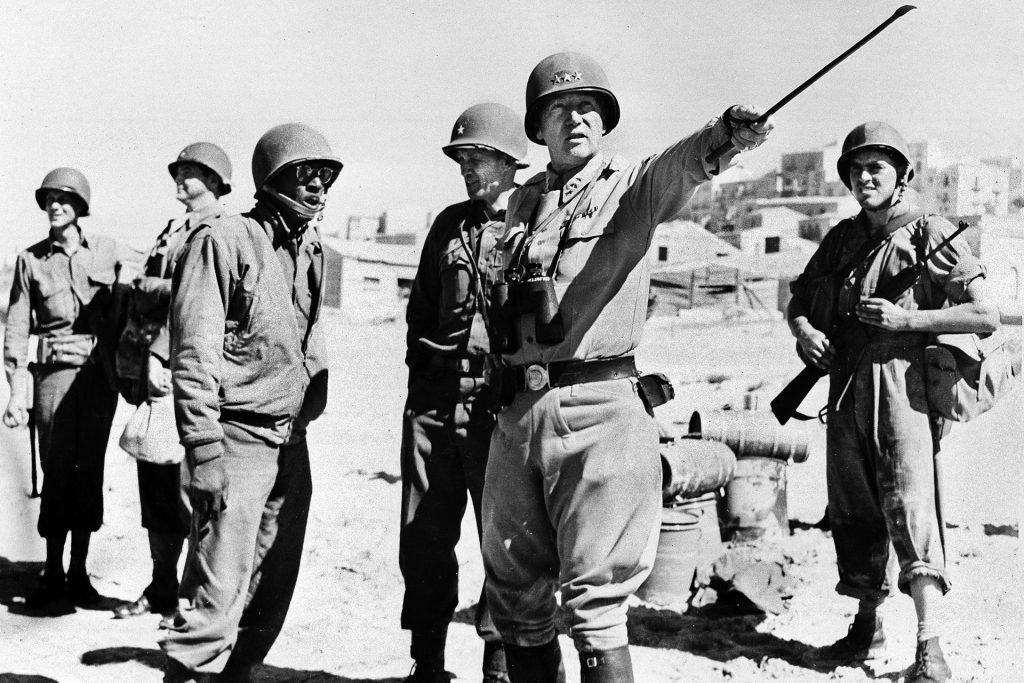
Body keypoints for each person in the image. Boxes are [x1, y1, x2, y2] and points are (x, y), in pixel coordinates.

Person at [479, 52, 772, 682]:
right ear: (539, 127)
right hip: (518, 415)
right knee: (514, 595)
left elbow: (684, 163)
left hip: (600, 413)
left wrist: (724, 134)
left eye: (588, 107)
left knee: (596, 602)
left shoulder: (630, 188)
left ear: (605, 121)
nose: (575, 118)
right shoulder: (521, 204)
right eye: (559, 108)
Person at [788, 121, 999, 683]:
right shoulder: (840, 239)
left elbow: (985, 316)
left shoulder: (931, 233)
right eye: (856, 168)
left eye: (877, 167)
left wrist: (910, 319)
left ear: (902, 174)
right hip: (846, 384)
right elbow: (801, 301)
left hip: (903, 388)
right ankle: (866, 627)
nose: (865, 177)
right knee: (853, 509)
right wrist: (805, 332)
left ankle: (931, 647)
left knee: (910, 504)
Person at [160, 123, 335, 682]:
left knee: (270, 591)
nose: (318, 188)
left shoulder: (311, 250)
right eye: (305, 176)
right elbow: (193, 352)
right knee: (214, 598)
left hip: (290, 443)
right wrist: (204, 451)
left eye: (325, 178)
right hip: (235, 443)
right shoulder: (223, 240)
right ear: (273, 179)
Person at [401, 102, 528, 683]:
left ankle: (498, 669)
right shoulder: (446, 226)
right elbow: (421, 311)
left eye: (478, 159)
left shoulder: (536, 220)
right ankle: (426, 666)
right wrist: (422, 393)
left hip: (497, 406)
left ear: (509, 161)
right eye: (462, 160)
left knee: (501, 544)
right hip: (433, 404)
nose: (468, 170)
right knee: (424, 539)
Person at [111, 142, 232, 624]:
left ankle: (190, 594)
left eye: (192, 172)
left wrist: (162, 354)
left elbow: (194, 300)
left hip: (188, 369)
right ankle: (162, 584)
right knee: (156, 482)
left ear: (217, 180)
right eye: (178, 171)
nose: (180, 179)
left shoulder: (219, 227)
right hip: (156, 368)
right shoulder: (173, 228)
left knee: (191, 488)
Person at [3, 167, 125, 607]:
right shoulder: (30, 260)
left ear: (80, 208)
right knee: (56, 471)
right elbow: (17, 331)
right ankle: (51, 573)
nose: (55, 205)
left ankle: (79, 573)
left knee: (88, 471)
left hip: (97, 381)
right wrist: (18, 390)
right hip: (52, 379)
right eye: (49, 199)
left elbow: (128, 313)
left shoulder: (108, 253)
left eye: (64, 199)